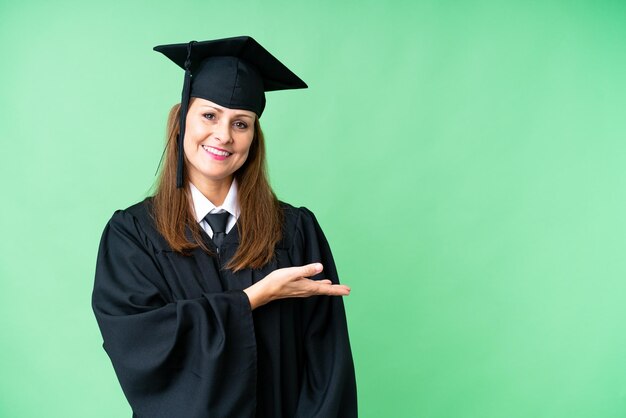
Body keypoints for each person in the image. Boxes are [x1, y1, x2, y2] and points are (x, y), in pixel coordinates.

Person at [91, 36, 357, 418]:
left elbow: (327, 366)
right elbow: (136, 341)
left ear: (254, 137)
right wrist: (251, 299)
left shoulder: (294, 230)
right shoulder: (133, 234)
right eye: (209, 115)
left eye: (241, 123)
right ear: (182, 120)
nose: (224, 135)